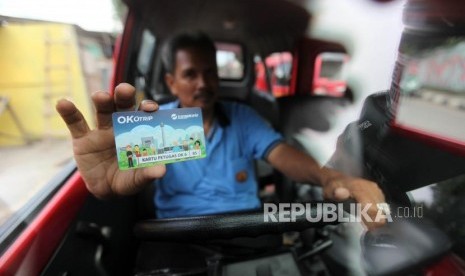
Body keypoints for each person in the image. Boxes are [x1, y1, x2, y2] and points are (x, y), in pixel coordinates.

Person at [55, 31, 385, 229]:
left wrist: (328, 177)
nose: (203, 83)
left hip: (245, 231)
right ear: (171, 82)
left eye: (210, 72)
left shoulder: (243, 117)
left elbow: (281, 153)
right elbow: (121, 180)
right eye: (190, 74)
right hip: (176, 236)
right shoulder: (152, 128)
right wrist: (107, 191)